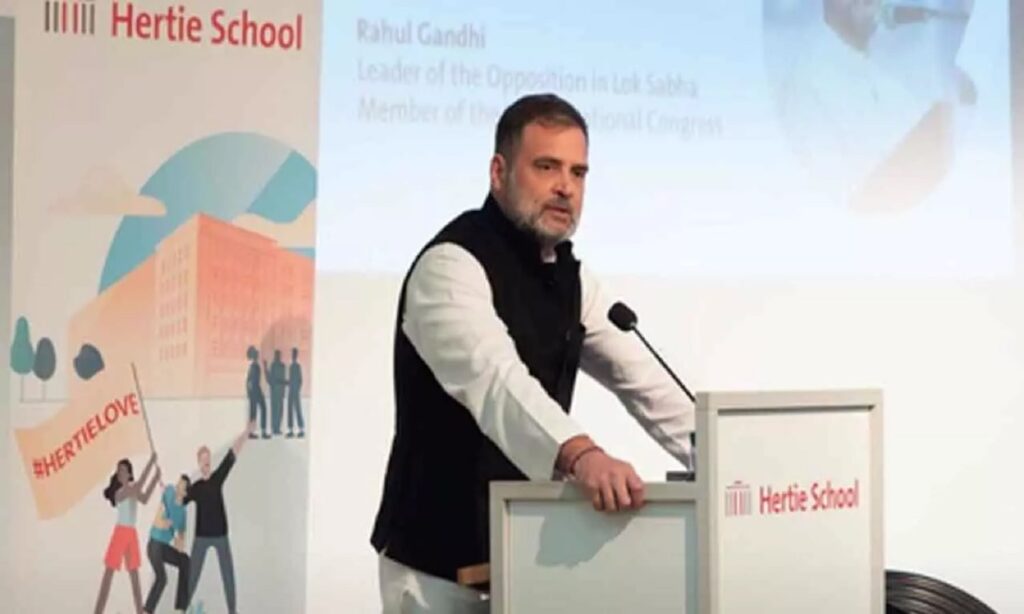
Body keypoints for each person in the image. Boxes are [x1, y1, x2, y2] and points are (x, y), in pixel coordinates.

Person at [370, 93, 695, 613]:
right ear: (499, 172)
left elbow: (645, 382)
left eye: (579, 172)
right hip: (436, 569)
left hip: (521, 561)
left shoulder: (571, 278)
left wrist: (725, 456)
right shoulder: (450, 265)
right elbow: (496, 381)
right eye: (546, 167)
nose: (566, 186)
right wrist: (582, 455)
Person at [185, 420, 255, 614]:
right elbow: (180, 500)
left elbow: (232, 453)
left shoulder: (218, 478)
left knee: (228, 574)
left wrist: (246, 433)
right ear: (199, 463)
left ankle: (233, 611)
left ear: (210, 461)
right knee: (192, 575)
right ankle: (182, 609)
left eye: (208, 459)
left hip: (220, 535)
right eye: (203, 459)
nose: (206, 462)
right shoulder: (196, 487)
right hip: (201, 537)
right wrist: (171, 492)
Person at [94, 453, 160, 614]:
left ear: (129, 474)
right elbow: (138, 487)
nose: (121, 474)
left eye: (123, 471)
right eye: (119, 472)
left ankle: (139, 611)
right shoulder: (120, 493)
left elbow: (144, 498)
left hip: (131, 534)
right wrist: (151, 463)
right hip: (120, 533)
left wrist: (155, 478)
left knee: (134, 573)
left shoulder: (131, 490)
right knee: (109, 574)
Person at [143, 474, 191, 614]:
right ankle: (147, 611)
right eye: (178, 483)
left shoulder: (182, 512)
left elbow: (181, 536)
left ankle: (180, 608)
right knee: (162, 578)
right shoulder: (169, 492)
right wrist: (165, 523)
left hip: (164, 547)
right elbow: (157, 522)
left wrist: (179, 542)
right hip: (154, 544)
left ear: (185, 493)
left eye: (181, 486)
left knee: (185, 561)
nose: (177, 487)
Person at [287, 347, 306, 438]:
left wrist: (297, 389)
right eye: (292, 354)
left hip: (295, 391)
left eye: (294, 354)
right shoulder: (291, 367)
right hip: (291, 390)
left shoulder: (297, 366)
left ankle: (301, 429)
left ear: (296, 355)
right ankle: (291, 430)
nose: (293, 356)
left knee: (298, 409)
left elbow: (300, 380)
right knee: (290, 409)